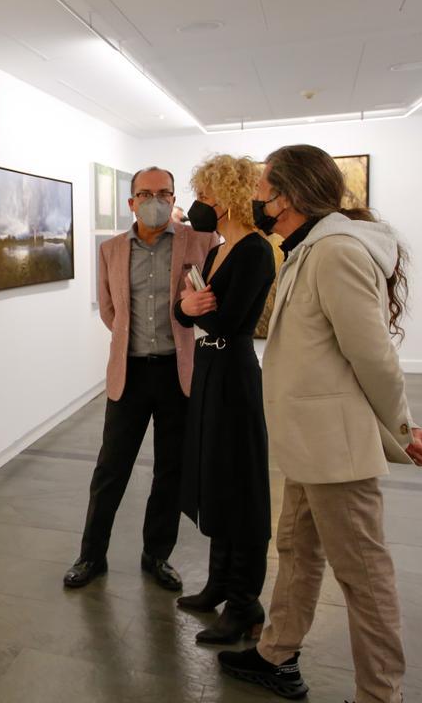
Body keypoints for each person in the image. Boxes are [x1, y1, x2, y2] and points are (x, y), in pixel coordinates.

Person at [218, 145, 422, 702]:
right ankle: (277, 653)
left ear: (288, 196)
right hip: (308, 444)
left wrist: (402, 427)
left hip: (335, 450)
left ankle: (380, 693)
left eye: (263, 186)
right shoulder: (305, 247)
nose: (255, 197)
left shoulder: (335, 252)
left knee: (363, 574)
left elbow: (373, 356)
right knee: (296, 548)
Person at [64, 167, 217, 591]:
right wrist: (133, 340)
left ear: (174, 199)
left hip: (177, 373)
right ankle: (92, 555)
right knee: (111, 469)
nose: (155, 200)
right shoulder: (111, 249)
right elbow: (111, 311)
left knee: (171, 470)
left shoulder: (200, 243)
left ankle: (157, 555)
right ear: (131, 202)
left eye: (164, 193)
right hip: (129, 373)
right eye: (145, 193)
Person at [173, 155, 276, 644]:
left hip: (234, 373)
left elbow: (228, 320)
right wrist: (186, 306)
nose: (202, 205)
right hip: (210, 369)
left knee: (239, 484)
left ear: (231, 197)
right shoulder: (216, 250)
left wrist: (192, 309)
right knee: (213, 475)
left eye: (209, 196)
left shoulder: (255, 250)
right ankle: (218, 582)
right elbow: (193, 310)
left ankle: (244, 601)